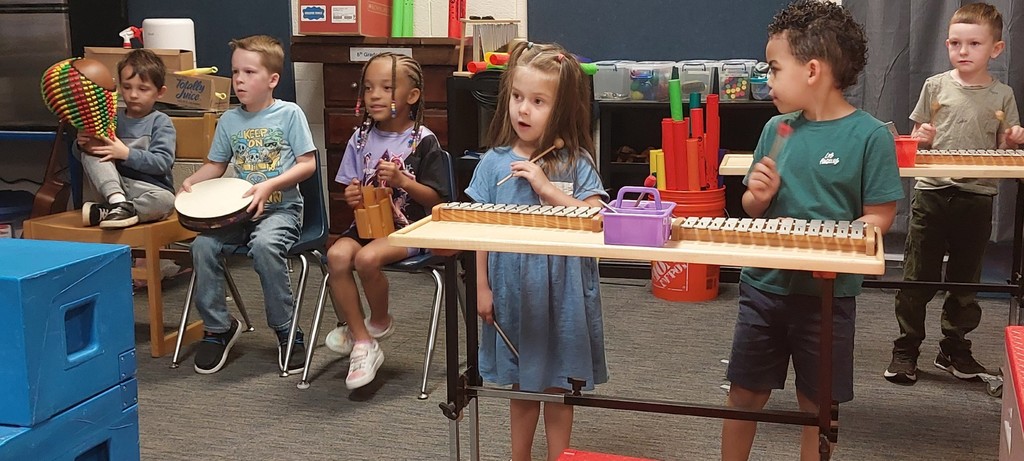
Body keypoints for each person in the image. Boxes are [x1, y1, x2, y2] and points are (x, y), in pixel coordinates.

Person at [722, 2, 904, 460]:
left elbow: (880, 218)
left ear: (813, 71)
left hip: (827, 295)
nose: (767, 80)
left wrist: (818, 234)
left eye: (774, 68)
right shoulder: (776, 128)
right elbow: (751, 207)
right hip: (764, 286)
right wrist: (757, 198)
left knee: (816, 407)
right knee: (744, 394)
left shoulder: (870, 136)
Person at [465, 41, 608, 461]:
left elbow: (596, 218)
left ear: (561, 109)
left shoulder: (575, 162)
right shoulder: (492, 164)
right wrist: (481, 287)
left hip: (562, 292)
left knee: (557, 386)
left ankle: (560, 458)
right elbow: (479, 232)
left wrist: (546, 187)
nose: (523, 110)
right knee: (522, 385)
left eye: (538, 101)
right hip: (514, 291)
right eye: (517, 97)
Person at [885, 3, 1024, 386]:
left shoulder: (1003, 95)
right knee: (917, 277)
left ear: (995, 49)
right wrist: (921, 138)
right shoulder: (935, 86)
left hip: (977, 196)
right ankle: (906, 349)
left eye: (974, 44)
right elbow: (913, 144)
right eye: (955, 43)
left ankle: (954, 348)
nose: (963, 51)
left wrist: (1013, 140)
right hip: (932, 193)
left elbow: (1004, 150)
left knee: (965, 281)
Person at [180, 35, 317, 375]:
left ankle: (286, 329)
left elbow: (307, 164)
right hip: (237, 213)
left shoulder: (289, 114)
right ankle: (218, 326)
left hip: (280, 209)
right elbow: (217, 166)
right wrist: (194, 181)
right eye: (235, 72)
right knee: (202, 246)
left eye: (249, 72)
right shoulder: (229, 121)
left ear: (272, 80)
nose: (239, 79)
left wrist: (269, 184)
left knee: (266, 246)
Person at [324, 52, 450, 390]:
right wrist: (351, 195)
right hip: (367, 226)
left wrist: (404, 182)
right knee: (336, 256)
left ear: (412, 96)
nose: (374, 96)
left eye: (385, 87)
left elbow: (438, 202)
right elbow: (351, 188)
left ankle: (379, 320)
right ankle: (363, 342)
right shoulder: (360, 138)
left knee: (366, 259)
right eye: (368, 88)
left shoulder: (423, 141)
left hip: (412, 227)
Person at [76, 48, 176, 229]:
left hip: (148, 190)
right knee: (93, 152)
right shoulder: (110, 117)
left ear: (160, 92)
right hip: (112, 187)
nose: (133, 95)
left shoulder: (161, 122)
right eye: (127, 87)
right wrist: (82, 145)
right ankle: (117, 203)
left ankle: (114, 210)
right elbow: (84, 160)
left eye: (143, 89)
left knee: (167, 201)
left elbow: (162, 163)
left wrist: (126, 154)